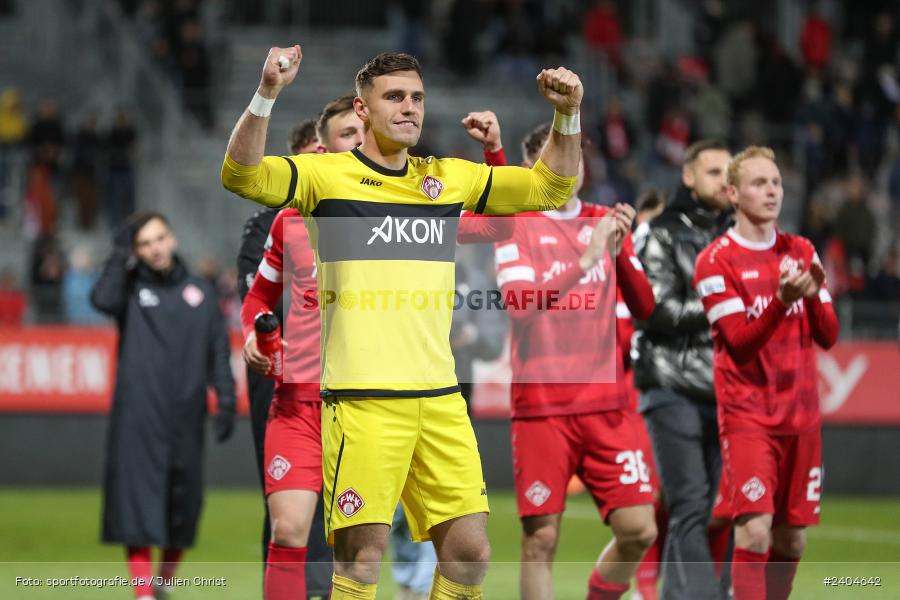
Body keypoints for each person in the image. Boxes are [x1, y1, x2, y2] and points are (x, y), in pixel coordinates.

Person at [222, 46, 583, 599]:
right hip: (363, 401)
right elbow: (241, 175)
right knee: (361, 562)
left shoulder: (445, 179)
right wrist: (267, 92)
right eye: (394, 97)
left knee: (470, 553)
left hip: (439, 398)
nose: (409, 107)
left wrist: (568, 115)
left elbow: (549, 189)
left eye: (416, 97)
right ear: (363, 111)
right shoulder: (327, 177)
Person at [467, 114, 657, 600]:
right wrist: (586, 260)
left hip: (608, 406)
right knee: (541, 539)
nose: (570, 166)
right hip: (544, 408)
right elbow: (520, 306)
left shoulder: (604, 222)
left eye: (575, 155)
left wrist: (617, 251)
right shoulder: (517, 226)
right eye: (558, 157)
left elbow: (646, 307)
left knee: (640, 529)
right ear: (535, 167)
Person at [693, 146, 838, 600]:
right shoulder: (715, 261)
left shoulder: (801, 250)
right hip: (748, 417)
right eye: (759, 183)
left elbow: (829, 336)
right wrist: (780, 301)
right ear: (733, 193)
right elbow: (738, 343)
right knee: (754, 532)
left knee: (791, 539)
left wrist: (811, 296)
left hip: (801, 417)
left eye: (775, 182)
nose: (772, 190)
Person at [240, 95, 363, 600]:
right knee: (288, 532)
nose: (357, 141)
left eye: (364, 131)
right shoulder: (290, 220)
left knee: (356, 548)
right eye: (346, 134)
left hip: (367, 406)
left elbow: (493, 224)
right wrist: (254, 334)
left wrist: (494, 155)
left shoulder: (405, 210)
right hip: (298, 405)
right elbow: (258, 297)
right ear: (323, 148)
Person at [90, 212, 236, 600]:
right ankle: (143, 593)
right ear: (136, 251)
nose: (154, 248)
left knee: (182, 503)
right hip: (137, 416)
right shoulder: (129, 288)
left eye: (159, 238)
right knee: (137, 501)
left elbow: (218, 352)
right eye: (144, 243)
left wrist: (225, 397)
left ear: (171, 239)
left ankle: (164, 583)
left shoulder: (201, 292)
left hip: (185, 417)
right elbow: (101, 300)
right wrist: (119, 255)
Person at [632, 140, 734, 600]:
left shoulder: (736, 236)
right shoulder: (661, 233)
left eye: (729, 173)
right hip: (672, 383)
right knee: (691, 504)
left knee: (720, 509)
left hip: (726, 389)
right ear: (688, 177)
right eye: (713, 172)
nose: (724, 181)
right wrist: (725, 303)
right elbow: (656, 310)